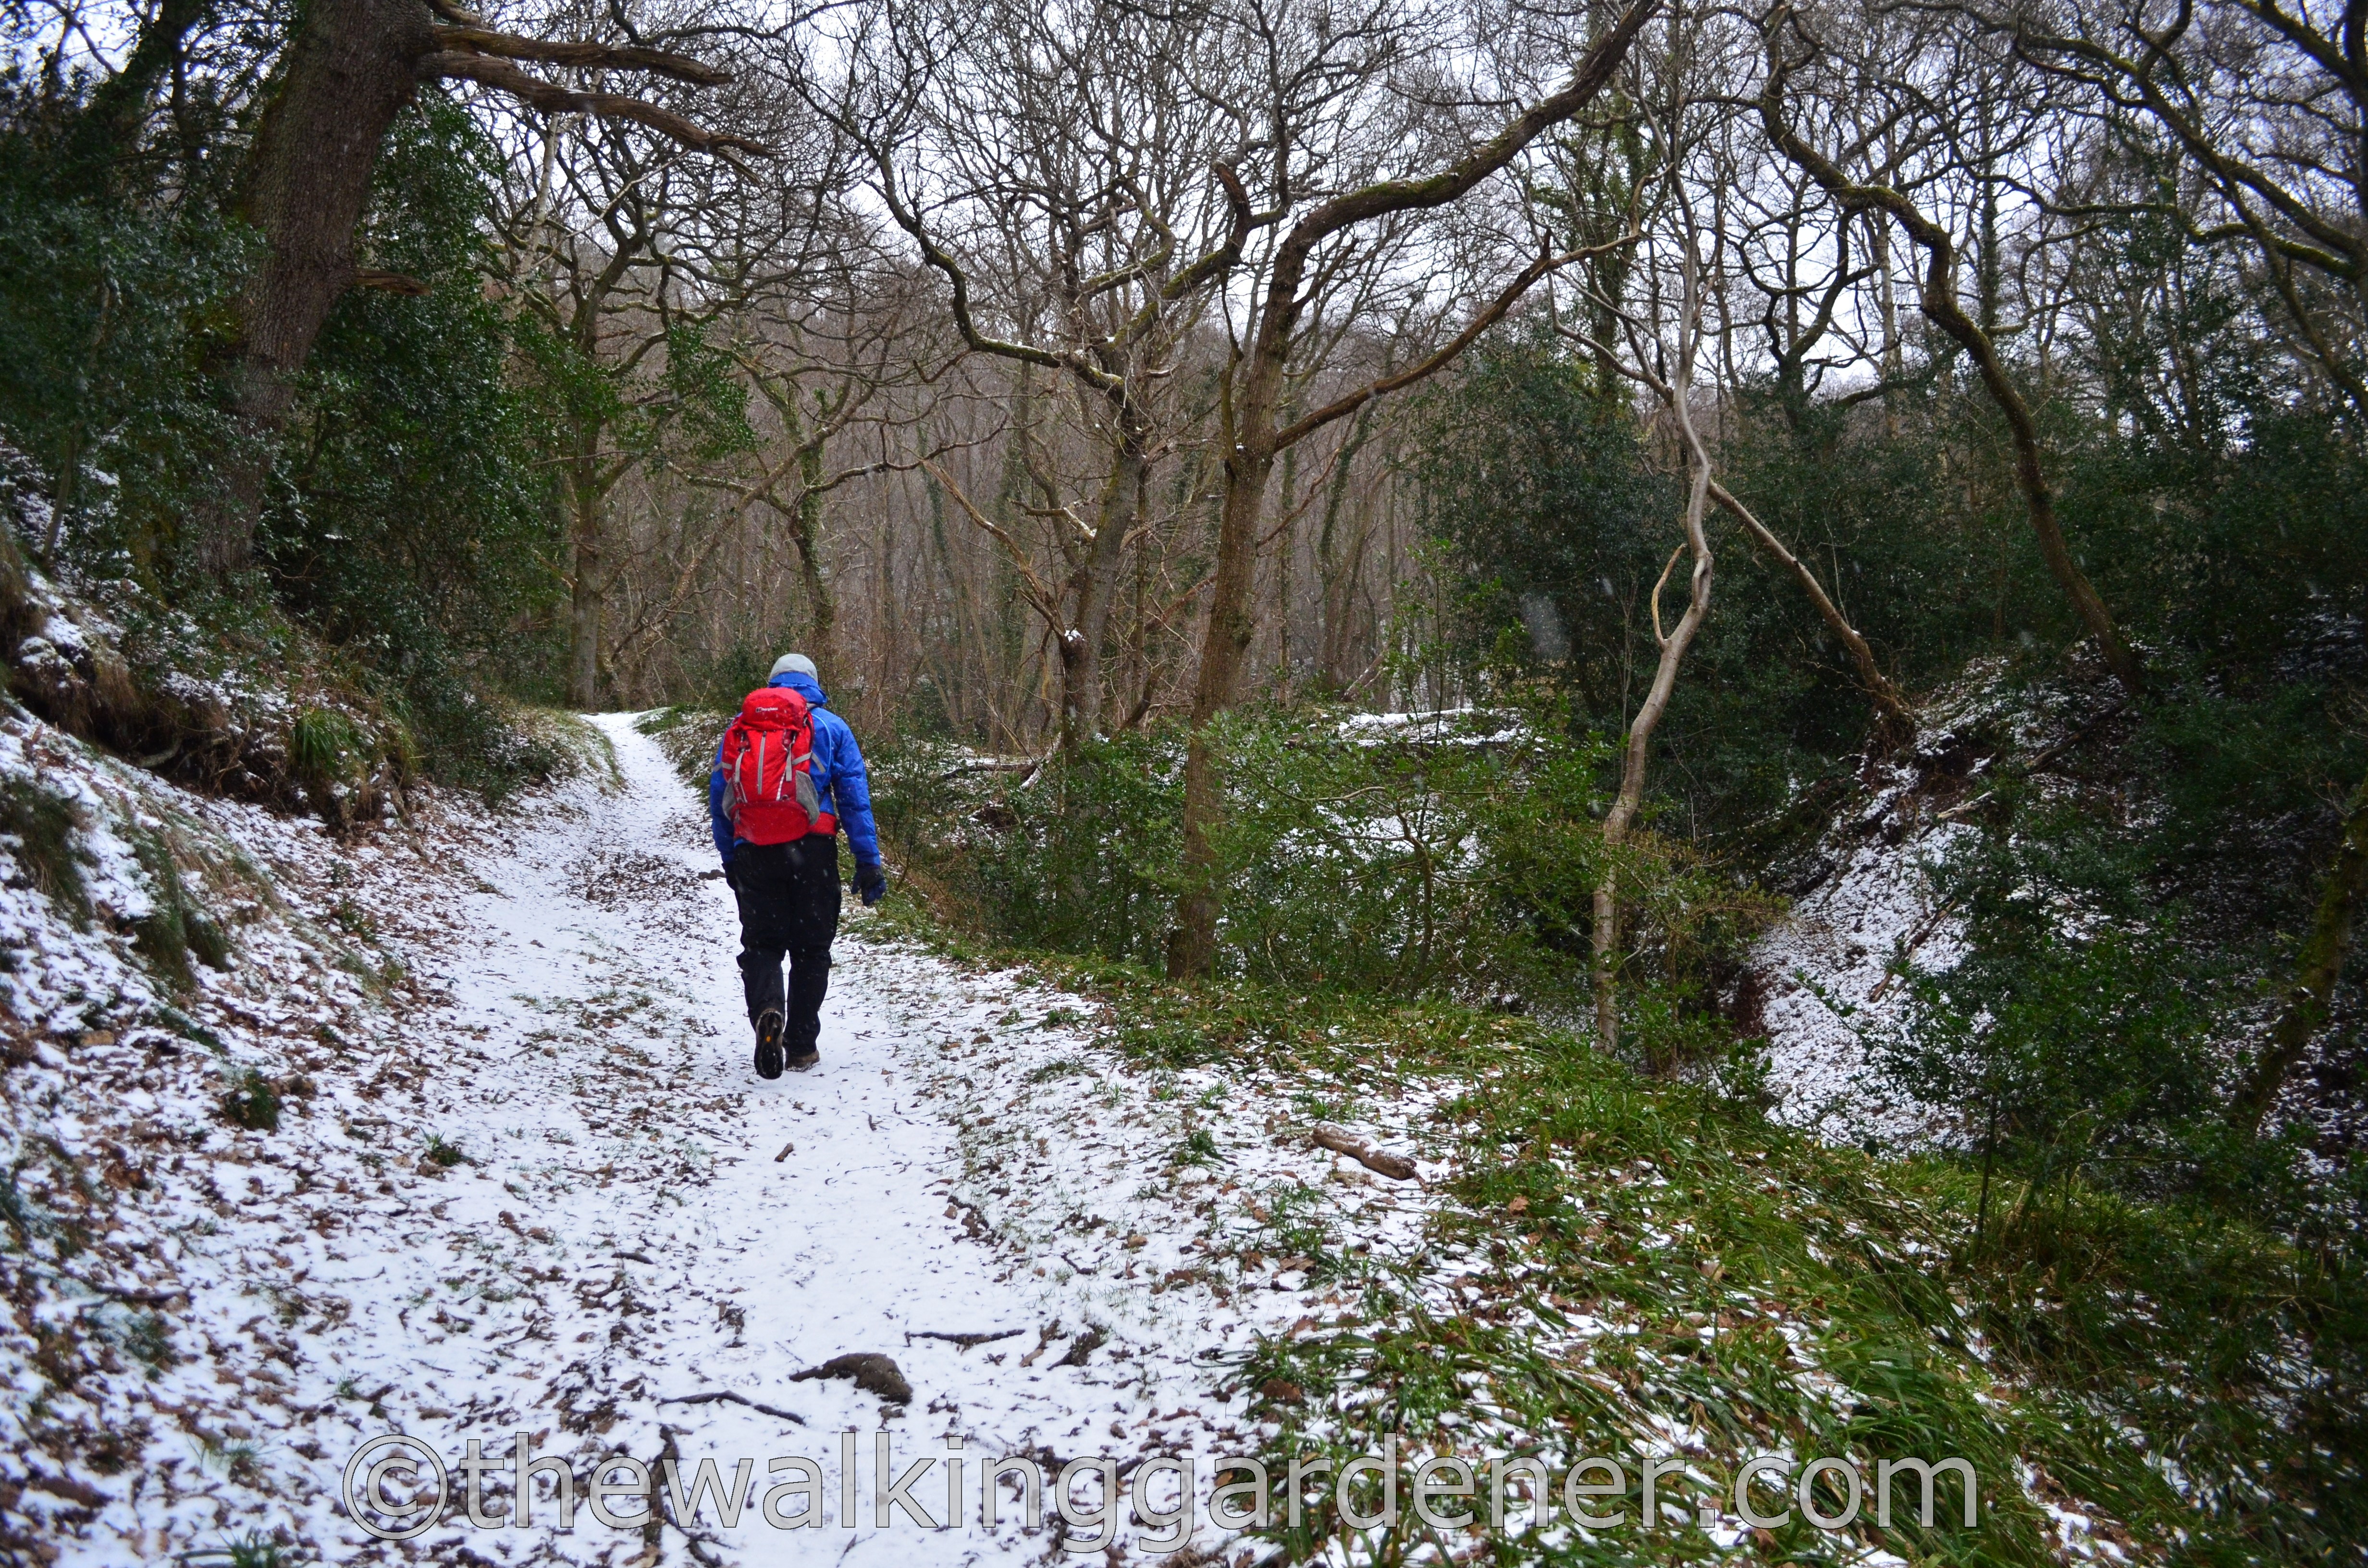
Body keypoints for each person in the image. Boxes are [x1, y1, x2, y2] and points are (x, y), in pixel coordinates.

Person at [709, 653, 886, 1077]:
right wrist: (869, 862)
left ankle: (769, 1009)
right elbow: (855, 800)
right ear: (814, 682)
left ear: (772, 684)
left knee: (762, 945)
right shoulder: (831, 728)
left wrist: (730, 856)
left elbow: (720, 797)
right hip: (814, 850)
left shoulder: (741, 729)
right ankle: (802, 1045)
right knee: (812, 950)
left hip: (754, 848)